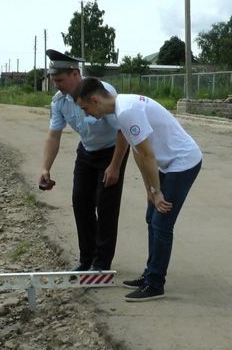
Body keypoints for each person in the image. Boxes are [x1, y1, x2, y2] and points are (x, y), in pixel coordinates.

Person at [76, 77, 202, 301]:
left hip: (182, 161)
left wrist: (157, 191)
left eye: (85, 108)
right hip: (167, 163)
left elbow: (147, 154)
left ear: (95, 100)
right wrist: (149, 189)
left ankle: (155, 283)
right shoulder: (121, 111)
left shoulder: (127, 111)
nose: (87, 115)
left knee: (161, 222)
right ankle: (149, 274)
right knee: (151, 217)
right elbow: (137, 153)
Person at [39, 49, 129, 271]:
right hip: (87, 151)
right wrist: (45, 168)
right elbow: (54, 135)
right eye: (54, 81)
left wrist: (115, 166)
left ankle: (101, 263)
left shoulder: (101, 92)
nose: (57, 85)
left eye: (60, 80)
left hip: (112, 150)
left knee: (106, 206)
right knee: (81, 202)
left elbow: (123, 131)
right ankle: (86, 259)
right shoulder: (59, 102)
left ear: (75, 74)